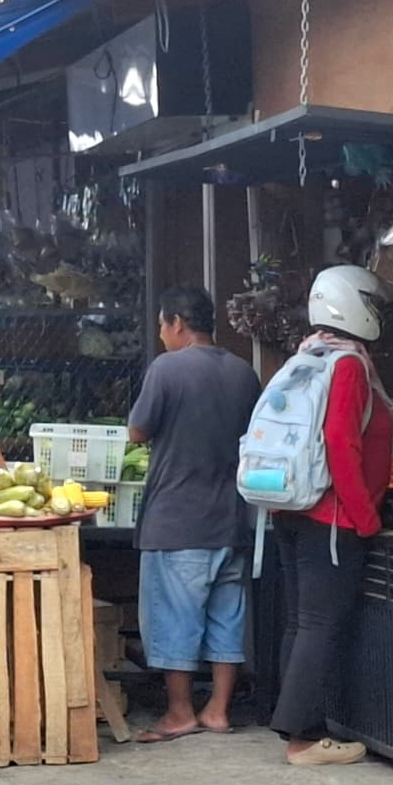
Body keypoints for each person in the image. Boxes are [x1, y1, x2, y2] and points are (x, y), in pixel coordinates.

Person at [270, 266, 393, 766]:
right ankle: (303, 738)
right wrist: (365, 516)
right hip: (332, 516)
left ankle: (292, 724)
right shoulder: (347, 365)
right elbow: (340, 443)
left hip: (292, 506)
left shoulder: (307, 355)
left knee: (302, 622)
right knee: (319, 624)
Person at [128, 285, 261, 743]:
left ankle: (180, 713)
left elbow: (138, 432)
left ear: (177, 323)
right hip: (232, 518)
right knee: (227, 616)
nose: (162, 335)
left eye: (162, 326)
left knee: (174, 619)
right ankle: (218, 710)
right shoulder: (245, 372)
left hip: (176, 519)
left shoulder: (167, 368)